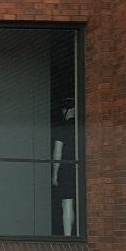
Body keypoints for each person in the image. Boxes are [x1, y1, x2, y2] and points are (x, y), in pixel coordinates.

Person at [51, 97, 78, 237]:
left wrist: (55, 173)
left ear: (64, 111)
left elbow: (58, 152)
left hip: (66, 168)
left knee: (67, 203)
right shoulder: (81, 127)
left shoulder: (62, 128)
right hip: (80, 167)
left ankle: (68, 237)